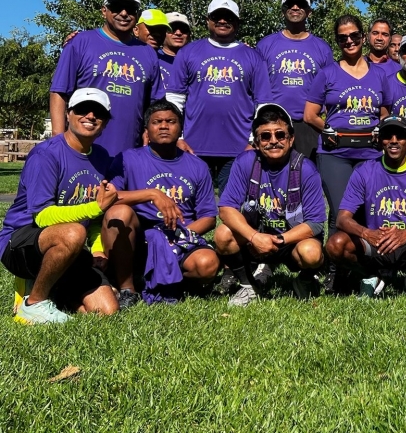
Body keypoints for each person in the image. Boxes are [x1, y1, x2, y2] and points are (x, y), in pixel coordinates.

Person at [1, 88, 119, 324]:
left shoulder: (103, 158)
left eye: (99, 113)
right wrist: (94, 208)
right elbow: (43, 216)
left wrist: (97, 248)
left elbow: (96, 219)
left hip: (69, 245)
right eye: (82, 109)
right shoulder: (46, 155)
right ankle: (33, 304)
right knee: (75, 231)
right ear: (68, 114)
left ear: (105, 123)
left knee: (106, 311)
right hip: (19, 243)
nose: (90, 116)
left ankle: (53, 291)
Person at [103, 100, 219, 306]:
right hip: (138, 239)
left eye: (171, 121)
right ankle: (127, 288)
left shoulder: (198, 166)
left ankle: (167, 281)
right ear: (147, 129)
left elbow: (209, 217)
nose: (164, 126)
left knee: (207, 264)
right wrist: (151, 194)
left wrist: (175, 239)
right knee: (118, 213)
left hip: (181, 237)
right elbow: (107, 197)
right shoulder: (128, 158)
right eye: (157, 122)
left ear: (180, 127)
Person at [304, 15, 389, 292]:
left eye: (354, 36)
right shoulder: (327, 72)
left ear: (363, 37)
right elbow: (309, 114)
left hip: (371, 153)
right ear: (337, 41)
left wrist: (383, 130)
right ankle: (335, 269)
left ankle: (368, 268)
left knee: (368, 209)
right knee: (341, 210)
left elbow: (385, 111)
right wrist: (326, 128)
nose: (349, 41)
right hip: (335, 152)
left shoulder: (379, 74)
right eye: (343, 38)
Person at [326, 115, 406, 299]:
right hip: (375, 241)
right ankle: (369, 275)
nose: (393, 141)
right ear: (379, 141)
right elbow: (343, 218)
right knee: (335, 245)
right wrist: (367, 233)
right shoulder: (364, 170)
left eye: (399, 136)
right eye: (387, 136)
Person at [216, 103, 327, 306]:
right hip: (256, 235)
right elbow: (226, 209)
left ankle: (303, 281)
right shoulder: (244, 162)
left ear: (291, 139)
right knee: (223, 235)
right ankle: (249, 287)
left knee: (312, 253)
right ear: (256, 143)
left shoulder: (306, 169)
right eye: (265, 136)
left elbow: (316, 224)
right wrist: (255, 237)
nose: (273, 141)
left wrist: (277, 240)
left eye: (280, 135)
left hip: (290, 239)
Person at [166, 0, 273, 190]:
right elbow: (175, 100)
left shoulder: (254, 57)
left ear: (237, 22)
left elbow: (263, 104)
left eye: (228, 17)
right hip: (193, 146)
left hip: (239, 148)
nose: (223, 21)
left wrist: (254, 140)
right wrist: (178, 137)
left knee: (232, 208)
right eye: (217, 16)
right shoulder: (188, 52)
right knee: (191, 205)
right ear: (208, 20)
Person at [50, 0, 163, 157]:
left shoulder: (148, 53)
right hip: (81, 149)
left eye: (131, 9)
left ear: (137, 14)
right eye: (117, 7)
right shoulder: (80, 43)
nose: (124, 13)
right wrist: (58, 140)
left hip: (130, 152)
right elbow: (59, 92)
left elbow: (155, 104)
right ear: (104, 11)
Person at [256, 0, 335, 159]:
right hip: (273, 123)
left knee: (306, 178)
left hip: (308, 125)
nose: (295, 7)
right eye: (290, 4)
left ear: (309, 12)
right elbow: (255, 87)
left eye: (301, 4)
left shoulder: (322, 48)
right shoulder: (265, 45)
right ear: (283, 10)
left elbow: (330, 91)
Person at [158, 12, 193, 88]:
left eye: (184, 29)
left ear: (189, 35)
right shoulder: (153, 58)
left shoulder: (196, 61)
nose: (178, 33)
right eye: (172, 28)